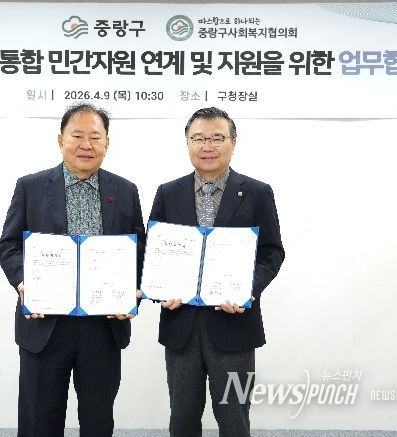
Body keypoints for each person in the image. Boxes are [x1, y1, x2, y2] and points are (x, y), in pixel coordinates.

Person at [0, 103, 145, 437]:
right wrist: (23, 283)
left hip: (103, 326)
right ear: (60, 139)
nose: (86, 145)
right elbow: (9, 245)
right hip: (45, 326)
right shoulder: (31, 187)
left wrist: (132, 292)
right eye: (77, 136)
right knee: (39, 423)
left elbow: (139, 251)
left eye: (95, 137)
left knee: (98, 422)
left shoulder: (125, 191)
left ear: (107, 142)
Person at [148, 107, 285, 437]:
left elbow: (272, 252)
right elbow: (154, 253)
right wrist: (159, 290)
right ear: (187, 143)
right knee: (182, 418)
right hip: (181, 324)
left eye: (217, 138)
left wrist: (247, 289)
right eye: (198, 138)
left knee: (234, 418)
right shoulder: (168, 193)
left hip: (235, 324)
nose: (207, 146)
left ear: (233, 143)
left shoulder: (257, 193)